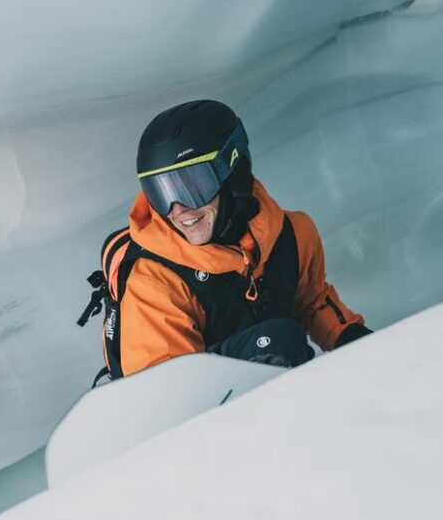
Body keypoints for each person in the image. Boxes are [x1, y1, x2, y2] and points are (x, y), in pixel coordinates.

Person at [121, 99, 371, 375]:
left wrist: (355, 339)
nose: (177, 210)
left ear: (233, 170)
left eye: (193, 187)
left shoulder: (293, 235)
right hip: (206, 407)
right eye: (160, 193)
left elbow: (311, 303)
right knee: (279, 340)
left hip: (273, 395)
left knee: (281, 340)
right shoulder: (156, 280)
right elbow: (167, 391)